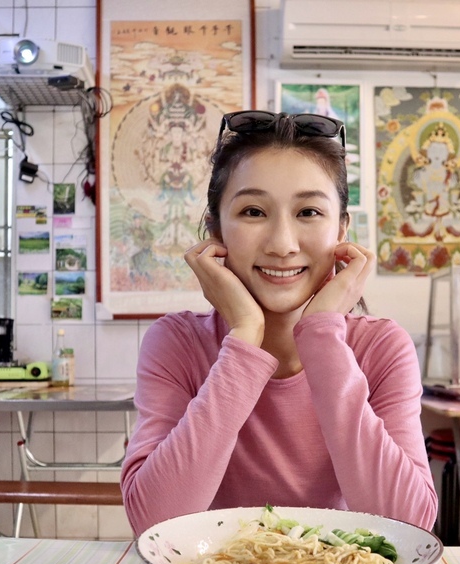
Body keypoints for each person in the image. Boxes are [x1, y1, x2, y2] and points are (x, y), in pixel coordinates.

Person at [120, 110, 438, 535]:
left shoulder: (381, 348)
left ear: (342, 230)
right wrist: (245, 340)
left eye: (308, 212)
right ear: (216, 230)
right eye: (253, 211)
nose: (283, 245)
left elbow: (408, 525)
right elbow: (154, 521)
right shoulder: (176, 342)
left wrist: (323, 332)